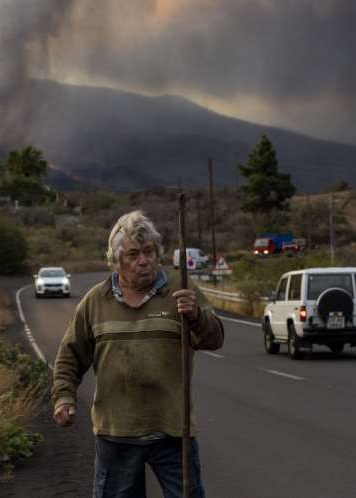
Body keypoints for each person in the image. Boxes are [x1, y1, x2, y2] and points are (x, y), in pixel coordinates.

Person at [52, 210, 224, 498]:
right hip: (116, 434)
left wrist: (195, 315)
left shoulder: (180, 291)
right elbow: (70, 355)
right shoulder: (96, 301)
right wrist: (64, 397)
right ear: (116, 260)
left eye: (149, 251)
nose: (143, 260)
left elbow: (215, 338)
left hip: (172, 433)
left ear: (157, 253)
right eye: (133, 254)